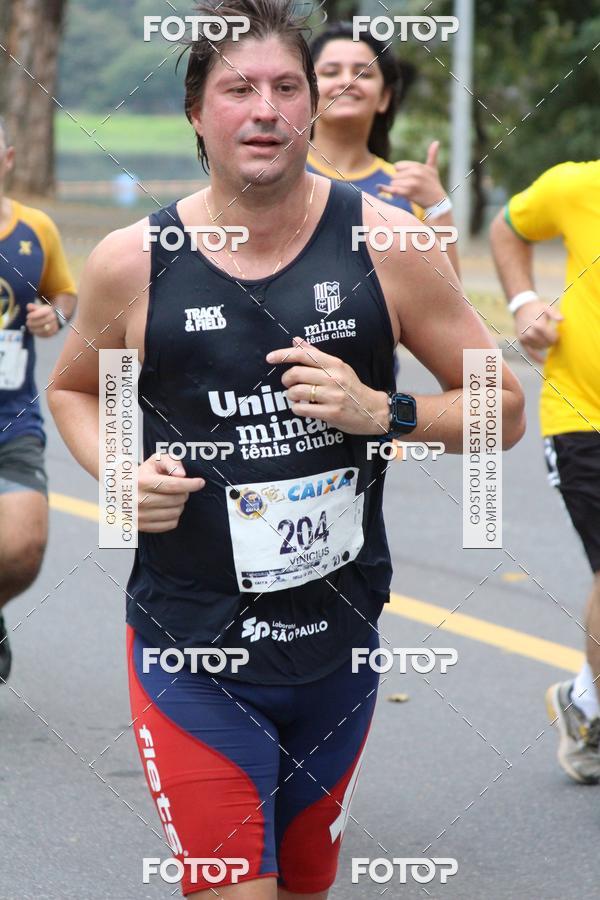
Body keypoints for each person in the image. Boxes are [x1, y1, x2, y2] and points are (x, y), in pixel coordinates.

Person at [49, 1, 525, 896]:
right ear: (197, 111)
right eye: (237, 89)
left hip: (338, 646)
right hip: (192, 646)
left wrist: (380, 410)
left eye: (285, 87)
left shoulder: (386, 243)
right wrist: (120, 473)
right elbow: (78, 388)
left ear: (312, 107)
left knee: (306, 883)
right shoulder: (133, 259)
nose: (264, 109)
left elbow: (500, 406)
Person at [490, 160, 600, 784]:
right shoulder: (576, 185)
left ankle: (586, 702)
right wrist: (524, 299)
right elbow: (508, 227)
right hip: (585, 415)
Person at [0, 116, 77, 683]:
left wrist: (56, 315)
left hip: (12, 418)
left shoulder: (36, 229)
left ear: (7, 158)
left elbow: (65, 291)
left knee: (23, 549)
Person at [307, 21, 461, 279]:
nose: (347, 81)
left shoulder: (409, 190)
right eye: (331, 72)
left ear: (384, 98)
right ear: (307, 90)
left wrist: (438, 207)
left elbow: (450, 303)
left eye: (363, 74)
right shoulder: (278, 174)